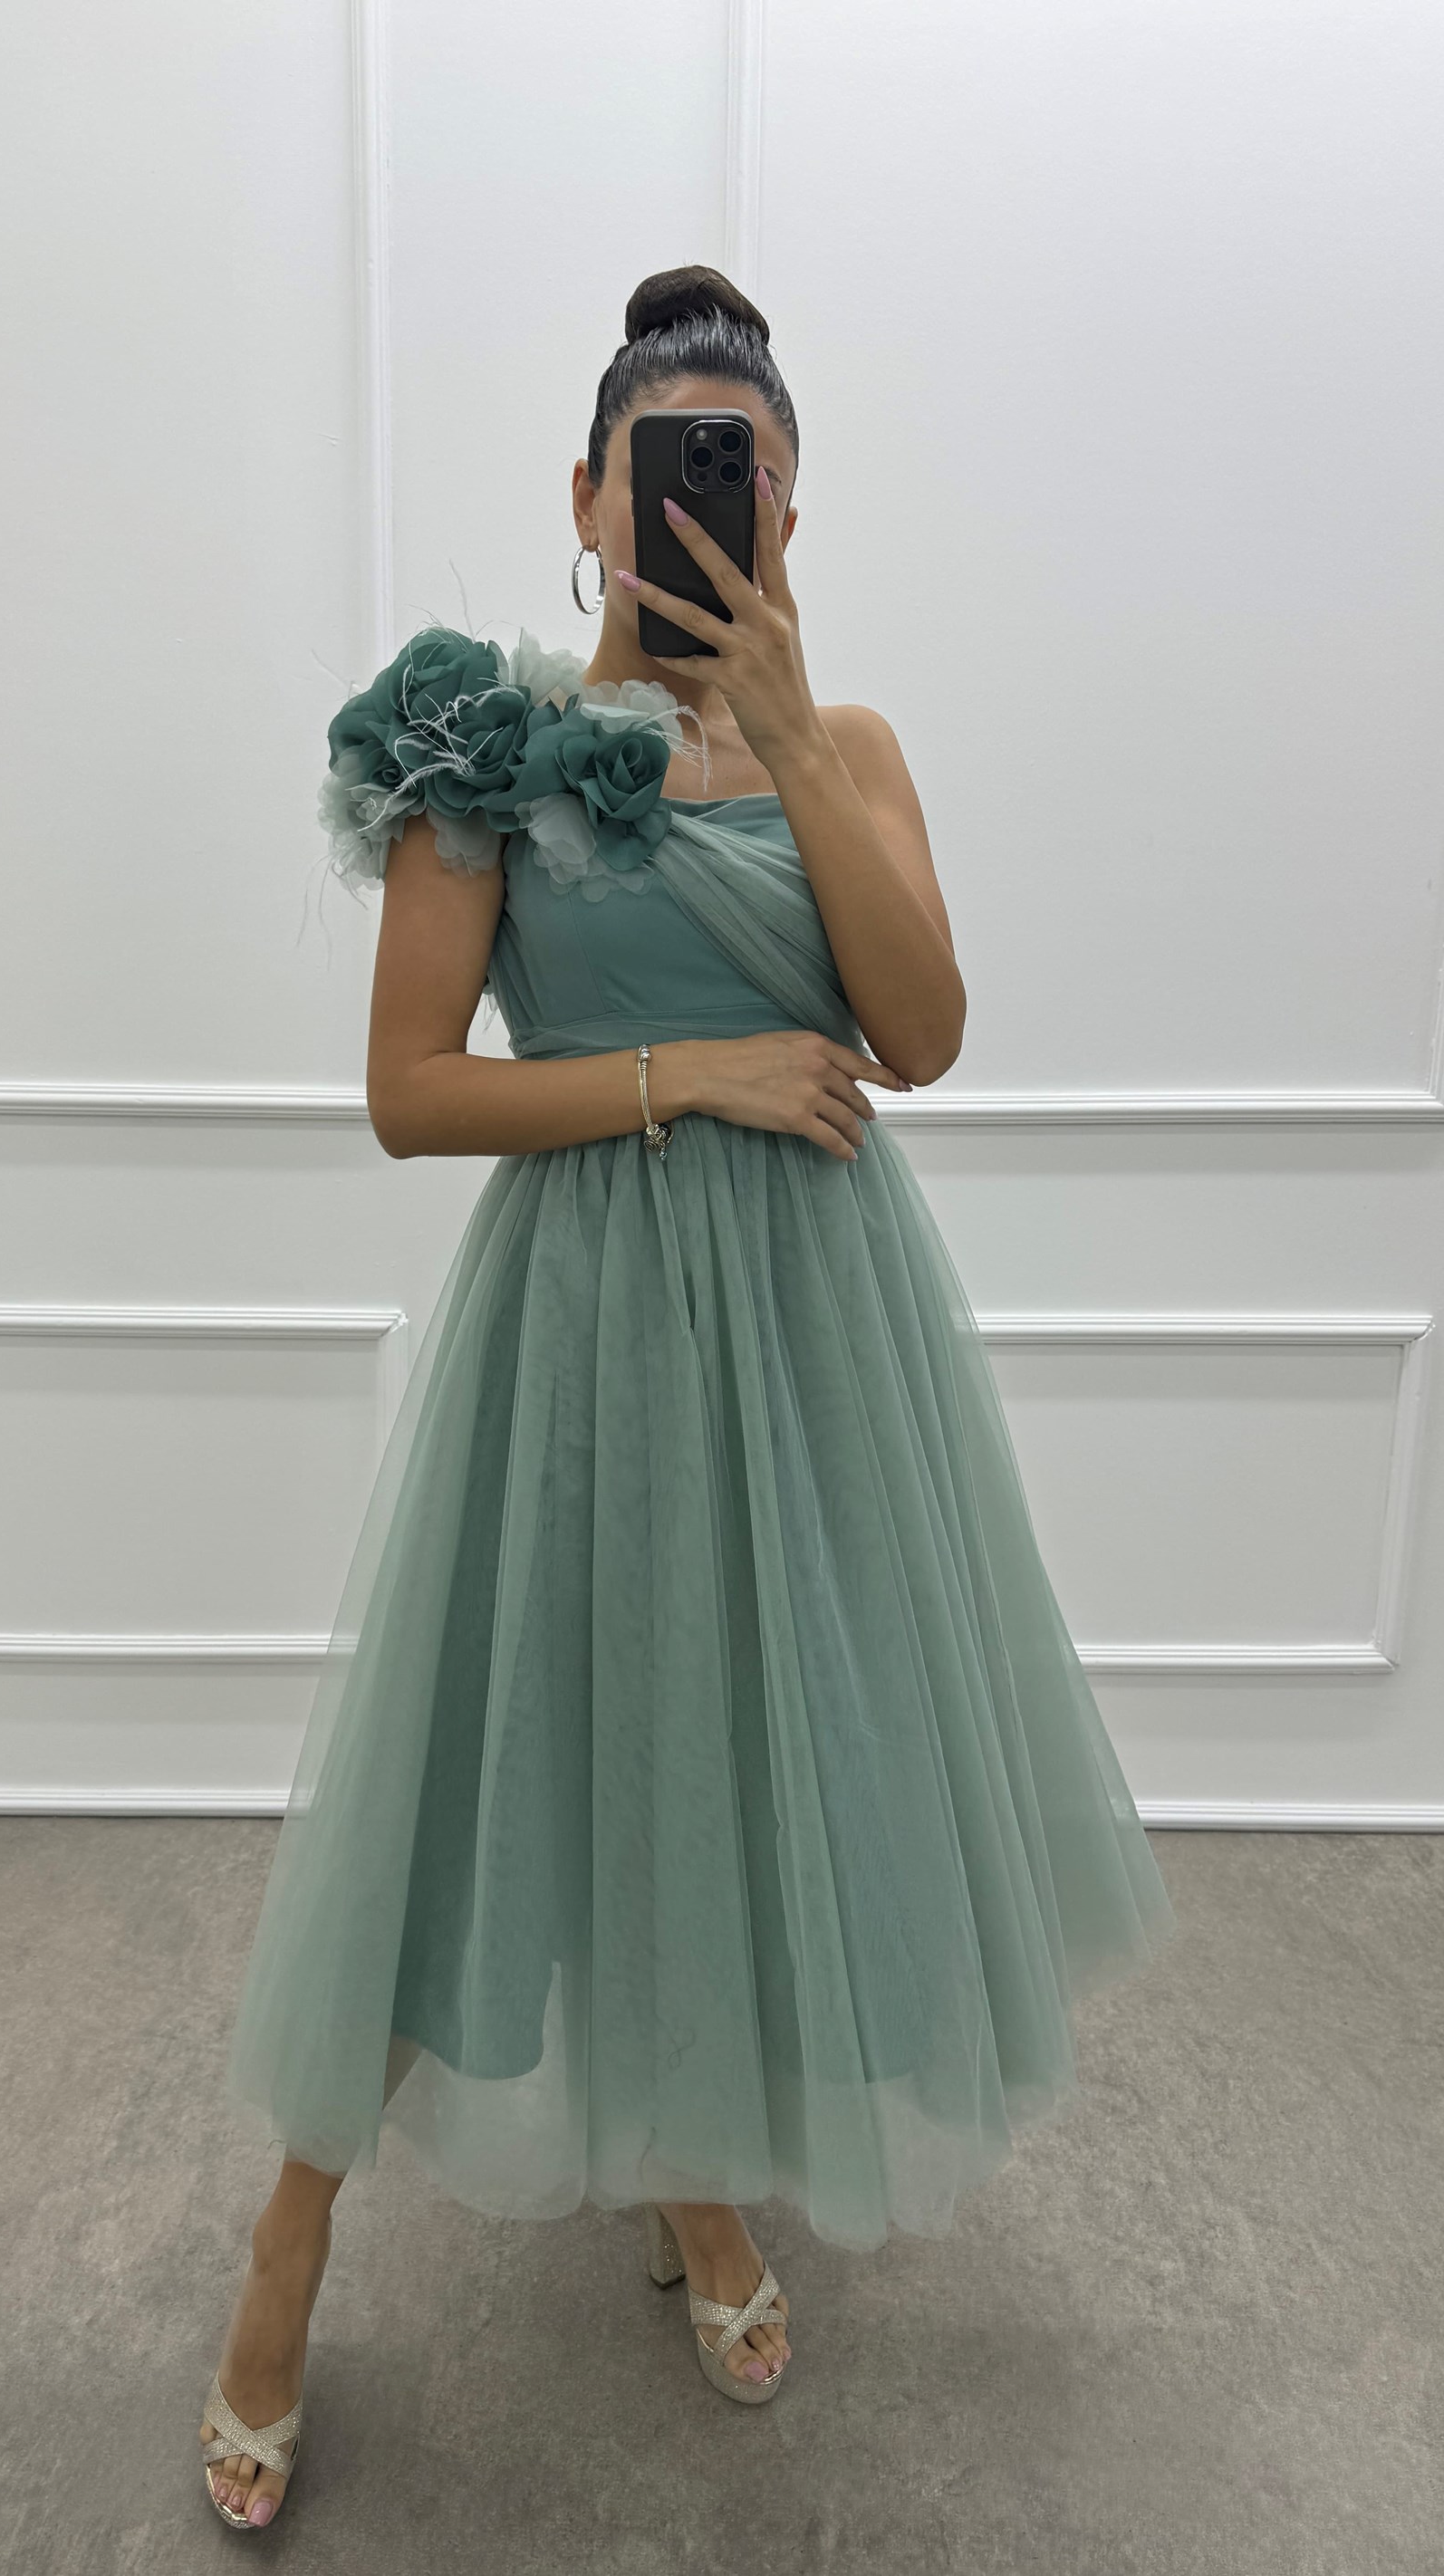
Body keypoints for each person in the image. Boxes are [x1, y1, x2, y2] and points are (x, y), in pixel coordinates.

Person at [197, 264, 1176, 2530]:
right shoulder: (475, 750)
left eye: (742, 478)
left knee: (737, 1762)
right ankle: (287, 2241)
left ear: (791, 513)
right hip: (582, 1334)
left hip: (822, 1342)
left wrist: (798, 732)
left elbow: (920, 1038)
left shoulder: (858, 751)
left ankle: (694, 2179)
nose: (700, 510)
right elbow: (411, 1093)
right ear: (585, 497)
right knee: (473, 1782)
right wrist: (692, 1075)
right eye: (661, 474)